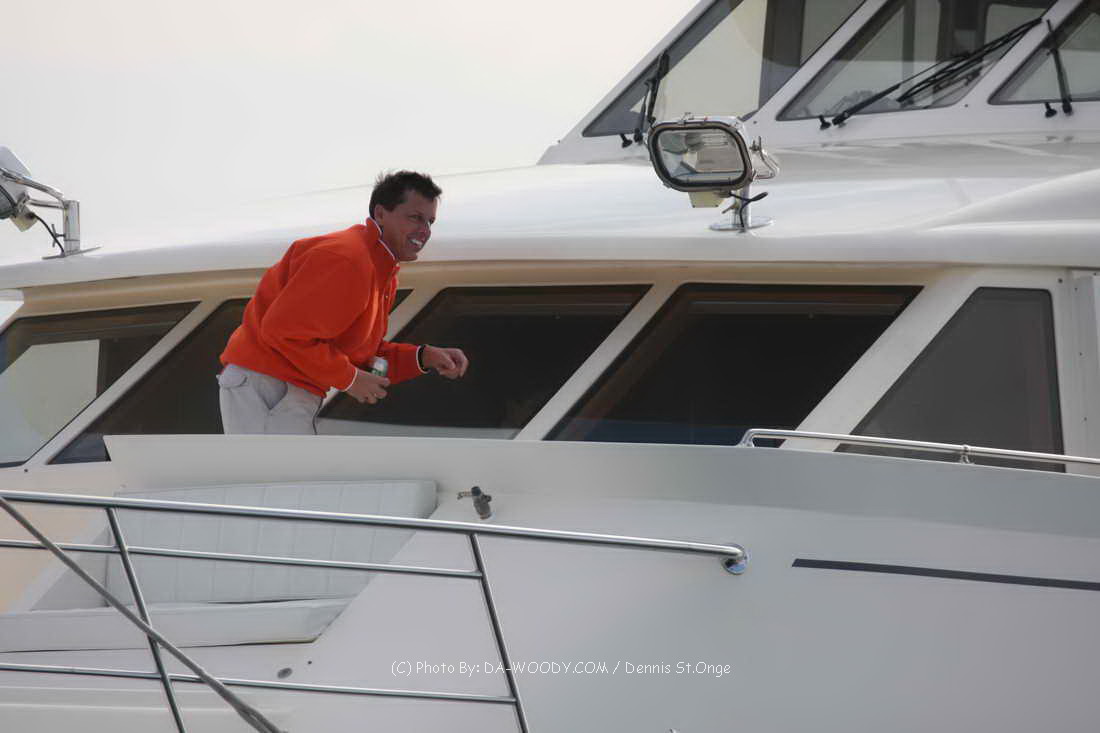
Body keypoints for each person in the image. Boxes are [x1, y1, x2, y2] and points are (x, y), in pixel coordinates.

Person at [218, 170, 468, 434]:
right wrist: (350, 379)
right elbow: (284, 332)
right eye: (415, 218)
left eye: (430, 222)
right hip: (270, 384)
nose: (425, 231)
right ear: (380, 214)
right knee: (274, 463)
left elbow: (360, 354)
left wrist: (423, 357)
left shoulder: (379, 269)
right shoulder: (347, 259)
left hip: (285, 387)